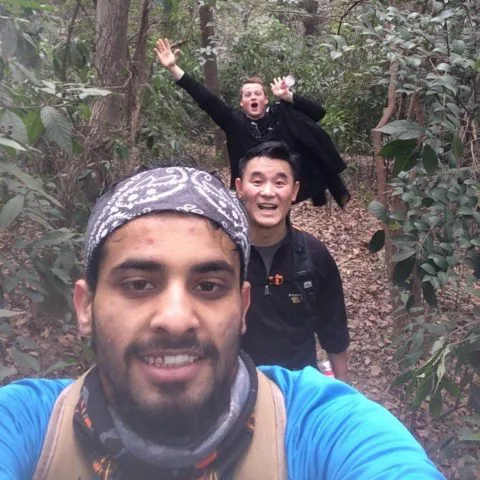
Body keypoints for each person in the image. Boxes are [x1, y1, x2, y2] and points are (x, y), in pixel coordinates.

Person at [0, 167, 445, 479]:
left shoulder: (320, 429)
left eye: (209, 286)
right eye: (138, 284)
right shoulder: (27, 427)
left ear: (242, 305)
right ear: (86, 307)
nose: (176, 319)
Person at [154, 38, 350, 207]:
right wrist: (173, 68)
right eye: (248, 95)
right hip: (247, 191)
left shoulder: (281, 115)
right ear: (242, 102)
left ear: (265, 99)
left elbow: (318, 113)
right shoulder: (234, 122)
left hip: (279, 190)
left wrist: (288, 96)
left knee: (279, 227)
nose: (253, 97)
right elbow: (205, 98)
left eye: (257, 93)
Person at [236, 142, 349, 379]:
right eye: (257, 182)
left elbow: (334, 334)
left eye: (280, 183)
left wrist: (344, 391)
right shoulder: (224, 254)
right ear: (239, 188)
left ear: (294, 191)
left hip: (299, 390)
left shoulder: (314, 254)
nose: (268, 192)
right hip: (237, 387)